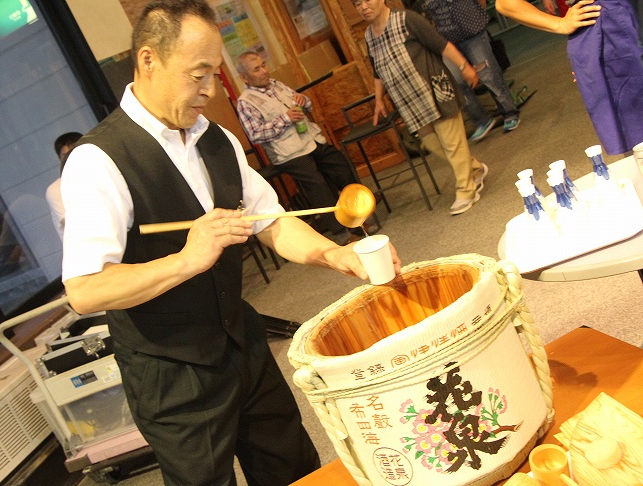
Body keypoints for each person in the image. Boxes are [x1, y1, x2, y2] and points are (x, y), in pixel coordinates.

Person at [59, 1, 402, 484]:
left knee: (293, 467)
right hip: (172, 373)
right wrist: (187, 259)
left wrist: (338, 254)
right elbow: (86, 290)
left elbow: (273, 222)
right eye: (197, 74)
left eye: (214, 74)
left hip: (242, 342)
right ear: (148, 60)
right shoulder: (99, 161)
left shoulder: (216, 138)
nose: (210, 89)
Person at [354, 0, 488, 215]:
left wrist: (464, 67)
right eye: (357, 3)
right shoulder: (370, 35)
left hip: (435, 90)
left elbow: (441, 45)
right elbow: (377, 71)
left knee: (452, 144)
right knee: (433, 144)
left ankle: (466, 190)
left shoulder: (407, 19)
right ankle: (474, 169)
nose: (363, 7)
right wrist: (378, 100)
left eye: (367, 0)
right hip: (411, 102)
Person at [236, 50, 363, 245]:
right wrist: (285, 119)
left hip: (310, 140)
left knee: (340, 166)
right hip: (289, 154)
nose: (264, 71)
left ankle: (357, 215)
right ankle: (341, 234)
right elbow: (256, 134)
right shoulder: (245, 103)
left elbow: (306, 104)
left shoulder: (277, 85)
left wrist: (305, 102)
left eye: (264, 65)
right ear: (244, 77)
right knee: (317, 184)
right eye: (257, 69)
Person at [495, 0, 643, 155]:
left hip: (619, 19)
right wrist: (559, 23)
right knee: (637, 129)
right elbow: (506, 3)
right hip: (611, 27)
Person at [419, 0, 521, 140]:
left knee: (488, 75)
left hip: (473, 32)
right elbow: (428, 16)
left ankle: (509, 112)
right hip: (447, 41)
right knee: (456, 81)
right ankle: (481, 121)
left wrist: (479, 14)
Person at [45, 132, 82, 240]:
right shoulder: (56, 190)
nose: (72, 158)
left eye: (76, 151)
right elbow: (76, 225)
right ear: (60, 159)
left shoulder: (103, 174)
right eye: (66, 155)